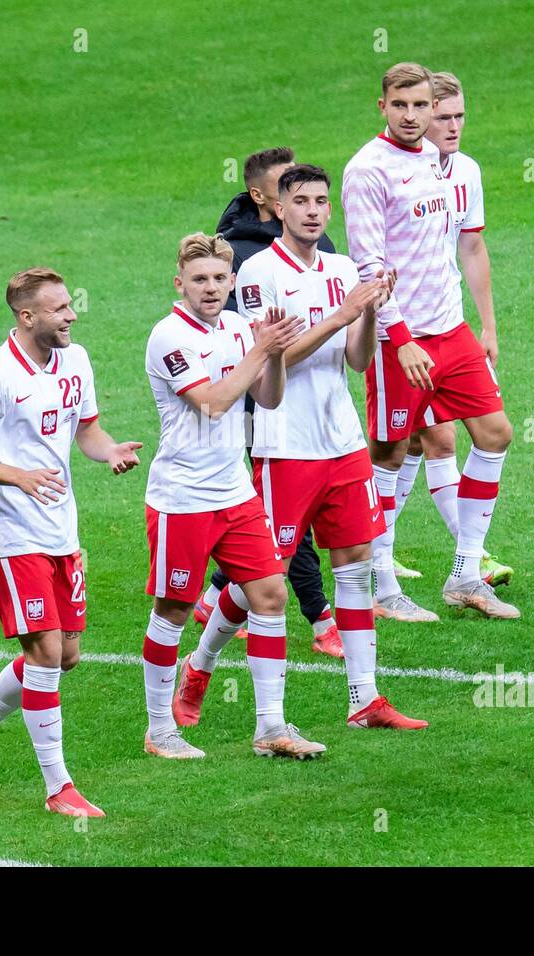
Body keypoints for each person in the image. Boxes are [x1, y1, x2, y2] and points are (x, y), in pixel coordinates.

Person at [173, 164, 427, 730]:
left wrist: (366, 312)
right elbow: (273, 358)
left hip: (342, 442)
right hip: (283, 447)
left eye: (321, 201)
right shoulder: (257, 273)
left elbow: (357, 360)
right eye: (302, 201)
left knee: (354, 566)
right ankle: (201, 662)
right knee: (263, 576)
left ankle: (365, 699)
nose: (313, 211)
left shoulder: (342, 267)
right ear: (280, 210)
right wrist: (341, 313)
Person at [0, 267, 143, 818]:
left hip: (61, 529)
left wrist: (110, 452)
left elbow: (86, 432)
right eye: (59, 309)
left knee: (66, 656)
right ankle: (58, 788)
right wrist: (17, 475)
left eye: (70, 305)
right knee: (46, 652)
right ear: (27, 317)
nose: (71, 315)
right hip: (11, 535)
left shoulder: (75, 359)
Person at [343, 62, 519, 621]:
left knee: (496, 434)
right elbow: (368, 265)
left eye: (423, 106)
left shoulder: (442, 166)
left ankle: (467, 574)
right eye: (403, 105)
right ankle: (380, 584)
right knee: (392, 454)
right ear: (383, 107)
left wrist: (480, 325)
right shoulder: (368, 171)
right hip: (402, 340)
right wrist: (400, 338)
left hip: (450, 330)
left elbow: (460, 248)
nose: (415, 116)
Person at [141, 232, 326, 760]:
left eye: (220, 278)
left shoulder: (241, 330)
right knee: (174, 610)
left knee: (270, 594)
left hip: (234, 491)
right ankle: (160, 730)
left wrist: (275, 356)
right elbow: (215, 403)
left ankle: (271, 727)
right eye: (199, 279)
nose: (211, 287)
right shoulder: (168, 336)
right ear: (180, 283)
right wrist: (262, 348)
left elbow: (267, 399)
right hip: (183, 498)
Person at [199, 146, 341, 657]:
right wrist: (340, 319)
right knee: (282, 523)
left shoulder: (320, 245)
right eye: (289, 190)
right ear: (264, 196)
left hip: (322, 417)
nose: (302, 203)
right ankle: (321, 617)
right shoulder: (239, 257)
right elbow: (260, 346)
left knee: (270, 517)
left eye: (313, 196)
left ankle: (217, 590)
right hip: (259, 404)